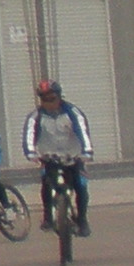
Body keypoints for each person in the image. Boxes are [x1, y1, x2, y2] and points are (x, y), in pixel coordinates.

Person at [22, 78, 94, 238]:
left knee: (81, 186)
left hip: (74, 157)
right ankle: (48, 217)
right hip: (49, 158)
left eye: (52, 99)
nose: (49, 103)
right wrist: (30, 153)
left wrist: (87, 152)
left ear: (59, 97)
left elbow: (83, 132)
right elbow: (29, 135)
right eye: (44, 100)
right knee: (46, 183)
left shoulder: (72, 112)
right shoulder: (35, 116)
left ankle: (82, 220)